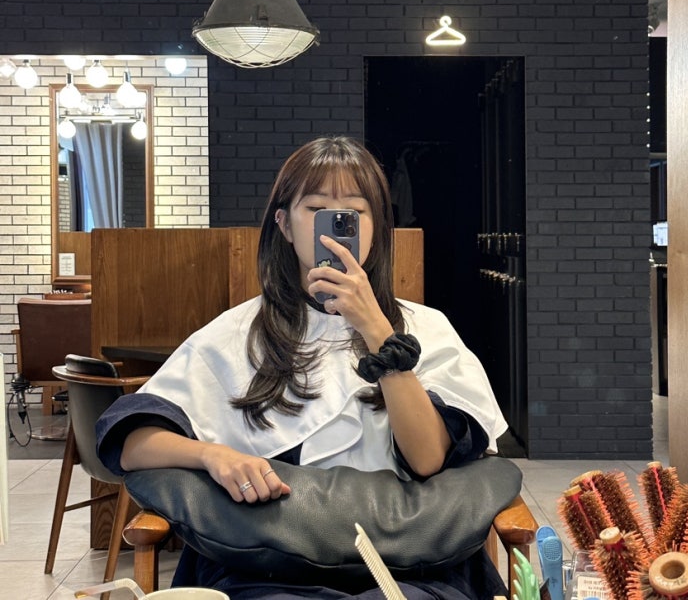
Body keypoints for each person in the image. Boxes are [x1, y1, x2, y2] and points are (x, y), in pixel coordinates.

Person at [96, 135, 510, 599]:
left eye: (354, 212)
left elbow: (428, 459)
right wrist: (213, 455)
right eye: (316, 209)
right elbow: (132, 446)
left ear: (377, 227)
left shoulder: (426, 329)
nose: (335, 227)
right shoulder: (238, 333)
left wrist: (378, 332)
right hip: (267, 565)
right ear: (285, 225)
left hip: (410, 564)